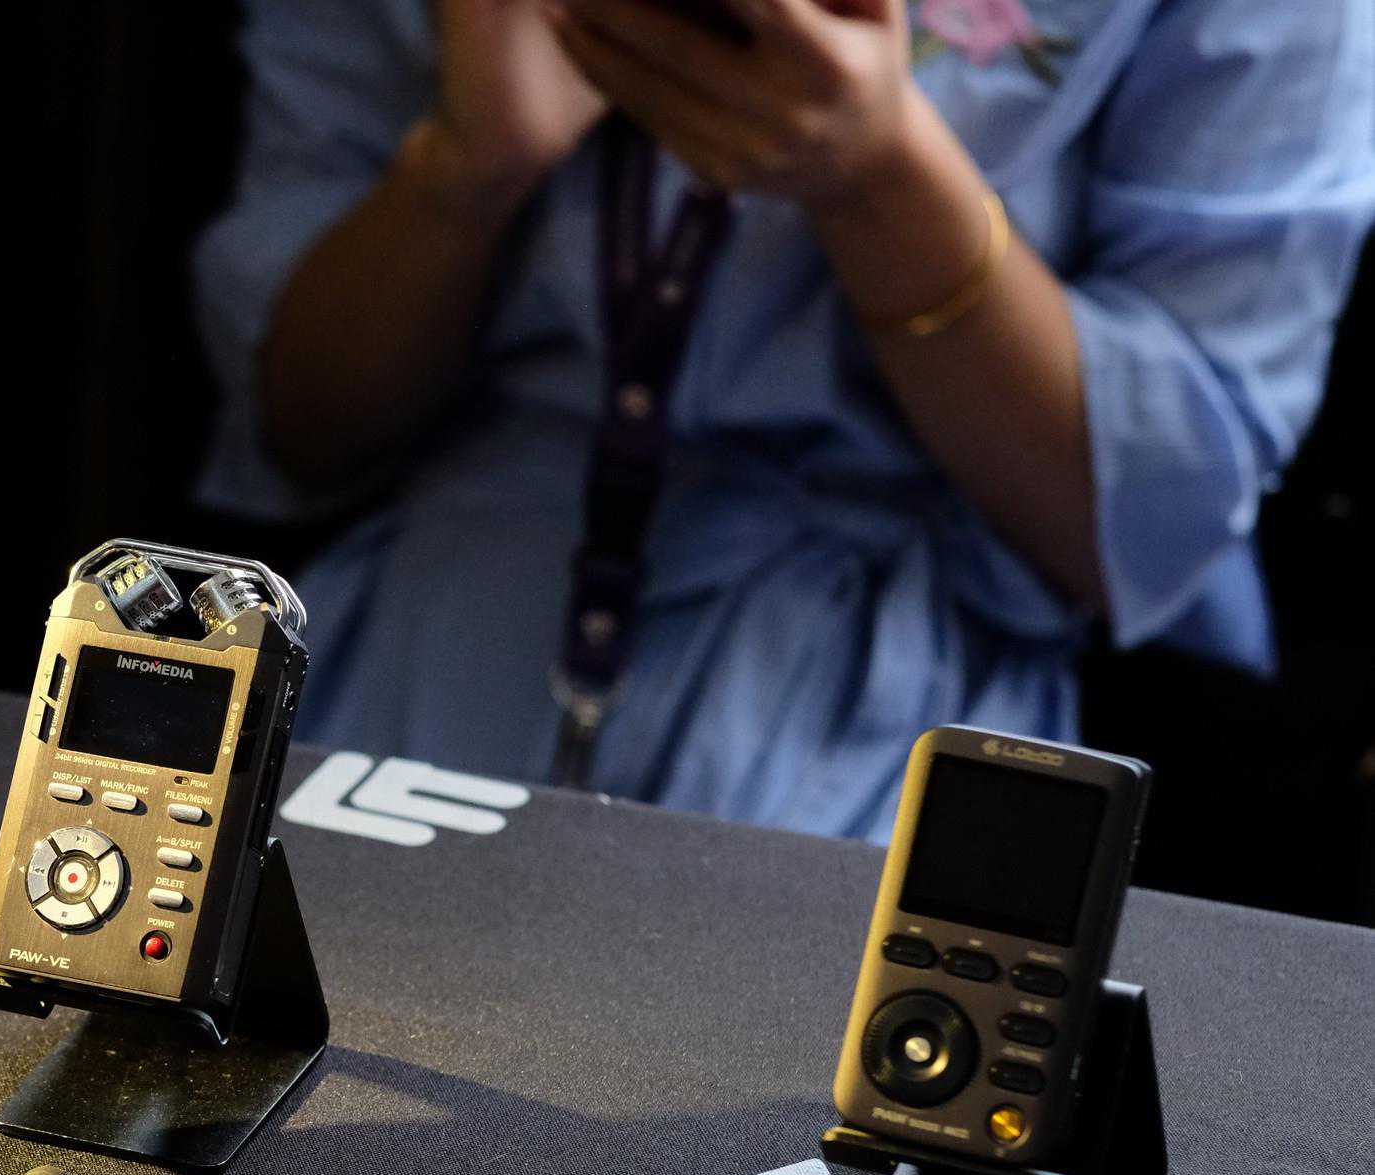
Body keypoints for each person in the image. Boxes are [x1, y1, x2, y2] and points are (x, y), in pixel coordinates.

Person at [194, 0, 1375, 839]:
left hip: (886, 719)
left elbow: (1153, 527)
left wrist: (880, 179)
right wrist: (466, 162)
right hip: (430, 638)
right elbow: (298, 425)